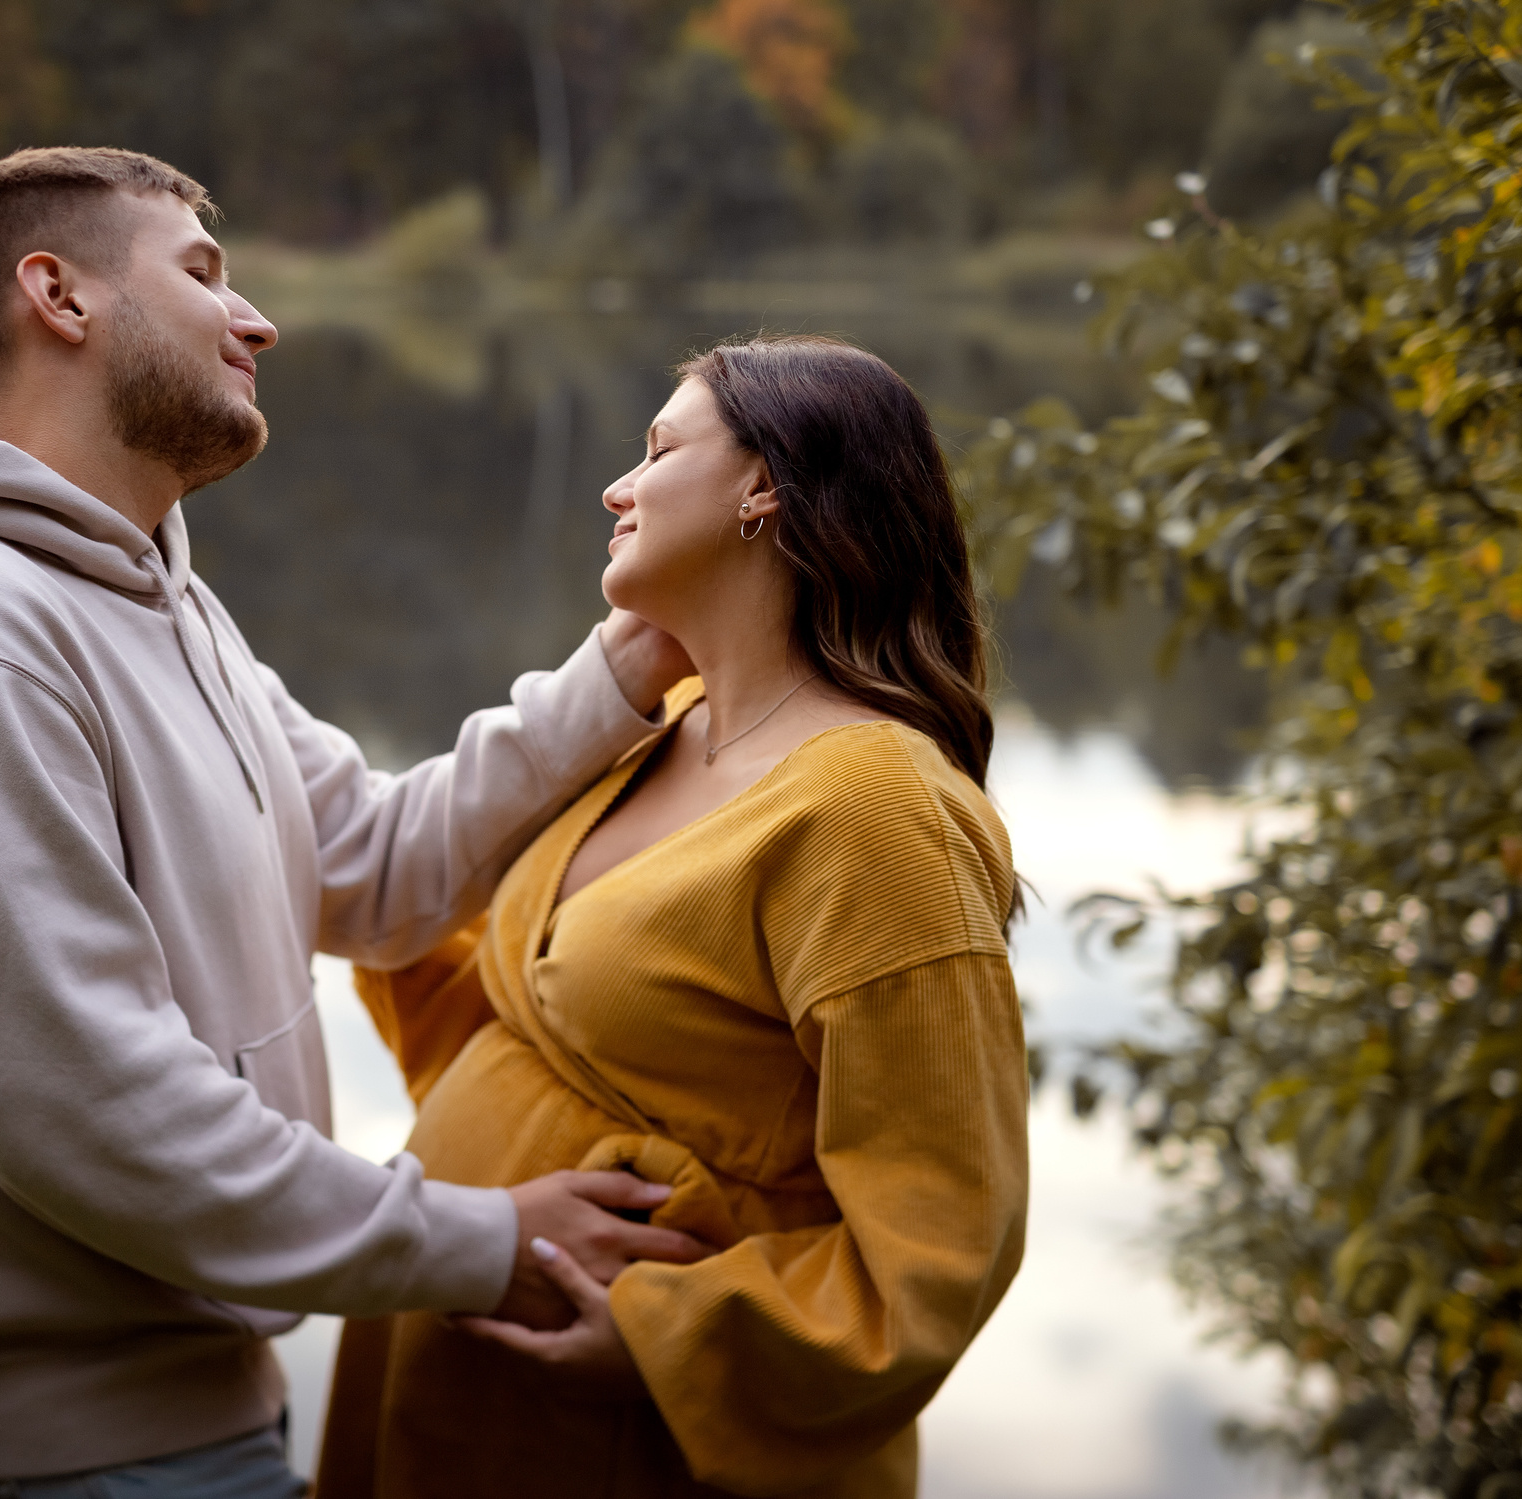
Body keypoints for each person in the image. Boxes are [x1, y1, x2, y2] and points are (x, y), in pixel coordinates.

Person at [0, 146, 706, 1499]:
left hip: (181, 1412)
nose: (256, 318)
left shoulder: (151, 590)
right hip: (61, 1452)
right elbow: (94, 1109)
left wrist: (625, 670)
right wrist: (482, 1238)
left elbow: (376, 870)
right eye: (205, 272)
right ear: (60, 295)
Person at [316, 339, 1031, 1499]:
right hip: (460, 1374)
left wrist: (668, 1340)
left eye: (654, 451)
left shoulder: (873, 810)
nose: (617, 488)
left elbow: (944, 1238)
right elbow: (525, 995)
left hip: (632, 1434)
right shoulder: (671, 720)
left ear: (764, 489)